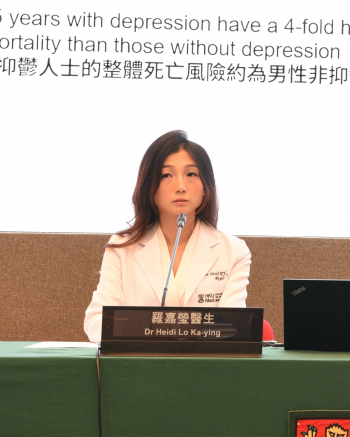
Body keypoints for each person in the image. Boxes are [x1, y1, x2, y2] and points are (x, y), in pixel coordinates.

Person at [84, 130, 251, 342]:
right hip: (140, 361)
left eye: (191, 174)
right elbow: (98, 321)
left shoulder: (233, 251)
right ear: (150, 187)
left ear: (206, 187)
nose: (180, 187)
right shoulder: (123, 247)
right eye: (166, 175)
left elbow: (231, 329)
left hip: (202, 362)